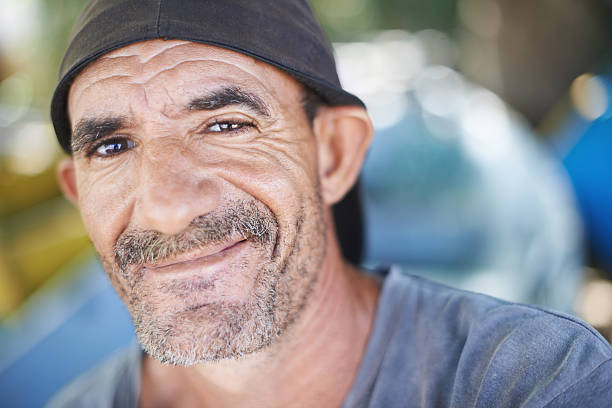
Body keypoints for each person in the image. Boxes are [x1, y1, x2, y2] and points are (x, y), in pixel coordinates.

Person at [47, 0, 612, 407]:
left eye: (226, 125)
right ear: (78, 192)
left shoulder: (535, 382)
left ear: (335, 154)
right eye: (112, 146)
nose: (167, 208)